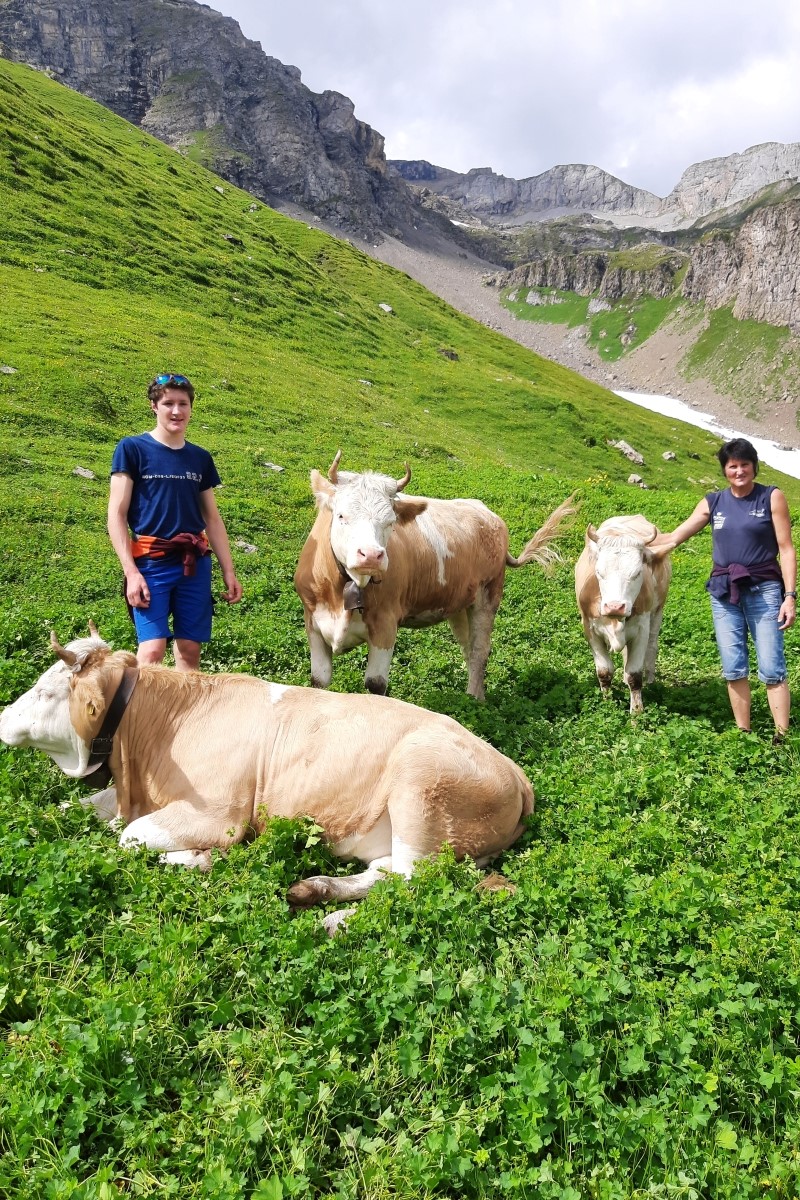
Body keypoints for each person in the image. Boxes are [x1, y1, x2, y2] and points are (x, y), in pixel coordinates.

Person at [660, 437, 796, 739]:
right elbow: (675, 536)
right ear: (724, 470)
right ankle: (743, 733)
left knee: (772, 665)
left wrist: (790, 596)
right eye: (732, 466)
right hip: (724, 594)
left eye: (744, 464)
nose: (739, 471)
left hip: (765, 591)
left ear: (754, 466)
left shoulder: (771, 497)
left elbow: (786, 549)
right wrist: (635, 542)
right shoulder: (713, 502)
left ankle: (781, 736)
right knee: (733, 666)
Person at [108, 372, 243, 671]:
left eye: (183, 403)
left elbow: (212, 518)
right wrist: (130, 572)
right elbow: (116, 514)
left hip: (193, 564)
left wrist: (228, 570)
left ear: (191, 408)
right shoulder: (131, 449)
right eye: (168, 403)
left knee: (190, 652)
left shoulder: (200, 458)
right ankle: (142, 717)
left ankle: (183, 717)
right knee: (151, 652)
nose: (176, 411)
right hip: (150, 562)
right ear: (154, 406)